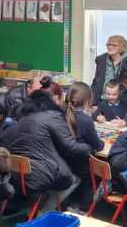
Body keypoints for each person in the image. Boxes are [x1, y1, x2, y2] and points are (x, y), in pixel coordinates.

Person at [8, 86, 91, 214]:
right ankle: (44, 211)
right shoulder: (53, 116)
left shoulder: (24, 119)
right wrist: (88, 147)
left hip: (20, 175)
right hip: (41, 175)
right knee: (75, 177)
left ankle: (39, 206)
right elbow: (71, 146)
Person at [62, 82, 103, 209]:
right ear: (87, 100)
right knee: (98, 171)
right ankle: (83, 206)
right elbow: (97, 145)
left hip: (63, 161)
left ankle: (72, 202)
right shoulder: (85, 119)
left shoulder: (60, 114)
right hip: (80, 164)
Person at [0, 73, 51, 147]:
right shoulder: (13, 96)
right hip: (9, 139)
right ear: (29, 87)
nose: (39, 94)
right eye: (37, 91)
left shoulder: (47, 97)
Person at [91, 35, 127, 102]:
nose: (110, 47)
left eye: (114, 45)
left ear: (122, 47)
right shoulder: (101, 60)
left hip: (124, 101)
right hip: (102, 100)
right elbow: (96, 81)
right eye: (108, 45)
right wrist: (93, 101)